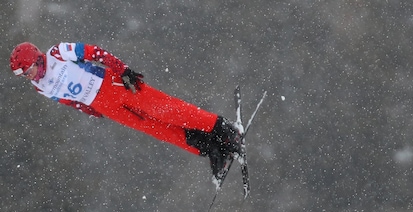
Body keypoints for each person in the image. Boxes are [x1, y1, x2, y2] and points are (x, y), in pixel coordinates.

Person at [9, 41, 241, 177]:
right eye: (24, 75)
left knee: (163, 109)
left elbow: (93, 52)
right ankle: (210, 147)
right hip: (103, 104)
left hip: (112, 85)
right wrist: (87, 109)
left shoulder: (57, 53)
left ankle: (221, 128)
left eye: (28, 69)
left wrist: (122, 69)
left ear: (37, 59)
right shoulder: (39, 86)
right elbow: (65, 100)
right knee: (155, 128)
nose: (29, 76)